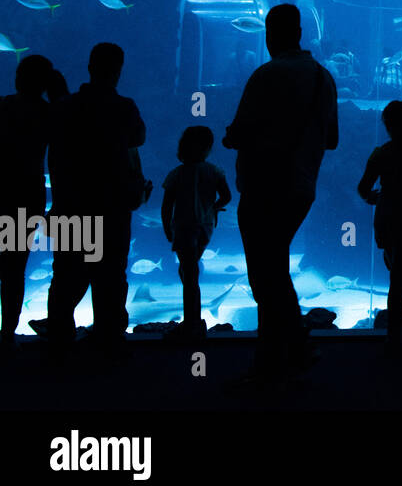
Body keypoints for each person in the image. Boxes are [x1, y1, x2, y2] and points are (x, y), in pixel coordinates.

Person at [223, 4, 338, 383]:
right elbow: (332, 139)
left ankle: (271, 363)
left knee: (264, 276)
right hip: (302, 186)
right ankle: (296, 349)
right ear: (300, 32)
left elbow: (237, 134)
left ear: (270, 33)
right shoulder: (324, 78)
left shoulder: (268, 73)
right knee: (274, 270)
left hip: (264, 186)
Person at [46, 43, 149, 355]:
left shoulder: (65, 106)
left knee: (66, 273)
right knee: (111, 274)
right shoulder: (124, 107)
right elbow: (138, 137)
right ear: (118, 71)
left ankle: (60, 336)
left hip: (70, 203)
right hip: (111, 206)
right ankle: (109, 335)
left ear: (89, 67)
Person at [0, 55, 61, 352]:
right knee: (14, 269)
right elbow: (63, 159)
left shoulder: (3, 106)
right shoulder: (49, 113)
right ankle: (7, 333)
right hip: (27, 196)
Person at [357, 101, 402, 353]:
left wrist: (374, 197)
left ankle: (394, 335)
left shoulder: (381, 152)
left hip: (386, 216)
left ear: (386, 125)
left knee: (396, 276)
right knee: (401, 279)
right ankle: (395, 338)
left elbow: (363, 188)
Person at [160, 126, 231, 341]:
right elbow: (227, 197)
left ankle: (192, 323)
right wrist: (214, 207)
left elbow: (166, 205)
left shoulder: (176, 174)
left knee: (189, 276)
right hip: (205, 227)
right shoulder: (215, 171)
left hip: (183, 227)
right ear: (208, 148)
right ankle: (193, 320)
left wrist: (166, 227)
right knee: (188, 272)